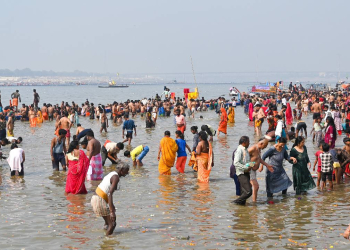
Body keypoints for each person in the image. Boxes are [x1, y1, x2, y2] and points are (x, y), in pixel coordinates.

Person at [91, 165, 129, 236]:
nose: (127, 173)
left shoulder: (112, 173)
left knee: (108, 223)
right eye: (126, 171)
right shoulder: (116, 177)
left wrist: (112, 206)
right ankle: (107, 242)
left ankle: (104, 236)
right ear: (122, 170)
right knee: (112, 224)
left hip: (95, 198)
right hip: (99, 199)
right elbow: (109, 193)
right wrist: (112, 212)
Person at [248, 137, 274, 202]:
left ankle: (252, 200)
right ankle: (254, 203)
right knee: (256, 186)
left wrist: (267, 165)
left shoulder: (259, 149)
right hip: (249, 170)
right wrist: (249, 166)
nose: (265, 147)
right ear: (261, 143)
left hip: (254, 171)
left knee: (251, 187)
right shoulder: (253, 148)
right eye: (265, 146)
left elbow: (259, 159)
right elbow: (243, 156)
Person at [233, 136, 254, 205]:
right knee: (248, 192)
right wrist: (245, 167)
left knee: (244, 192)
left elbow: (246, 161)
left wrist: (251, 165)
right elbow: (236, 162)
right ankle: (234, 203)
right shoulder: (239, 150)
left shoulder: (245, 150)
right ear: (244, 143)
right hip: (242, 173)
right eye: (248, 142)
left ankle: (241, 209)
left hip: (246, 172)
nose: (249, 143)